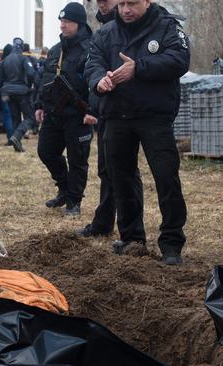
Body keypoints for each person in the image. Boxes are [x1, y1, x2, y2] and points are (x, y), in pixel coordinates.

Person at [85, 0, 190, 265]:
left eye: (132, 3)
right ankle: (132, 238)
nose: (126, 10)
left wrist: (139, 67)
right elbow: (92, 63)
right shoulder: (106, 33)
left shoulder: (167, 27)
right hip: (116, 116)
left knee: (166, 176)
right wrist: (100, 81)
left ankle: (171, 243)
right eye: (121, 4)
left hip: (154, 116)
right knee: (121, 178)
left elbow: (179, 60)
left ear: (147, 1)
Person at [77, 0, 143, 237]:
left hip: (133, 110)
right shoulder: (104, 28)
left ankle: (131, 229)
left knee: (124, 170)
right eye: (97, 0)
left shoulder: (134, 24)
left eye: (106, 0)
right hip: (107, 107)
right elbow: (93, 67)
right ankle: (104, 222)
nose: (101, 4)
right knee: (107, 169)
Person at [35, 2, 93, 216]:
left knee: (77, 159)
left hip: (79, 116)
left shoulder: (91, 49)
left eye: (67, 21)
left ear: (79, 23)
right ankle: (64, 188)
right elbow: (45, 79)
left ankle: (74, 201)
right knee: (46, 152)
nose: (62, 25)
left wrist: (92, 110)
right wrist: (39, 105)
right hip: (54, 113)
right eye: (61, 21)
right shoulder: (56, 50)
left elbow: (96, 83)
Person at [0, 37, 37, 152]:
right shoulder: (23, 58)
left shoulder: (5, 60)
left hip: (7, 92)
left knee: (15, 117)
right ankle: (17, 136)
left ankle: (17, 143)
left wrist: (4, 87)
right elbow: (31, 73)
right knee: (30, 117)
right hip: (21, 91)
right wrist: (29, 85)